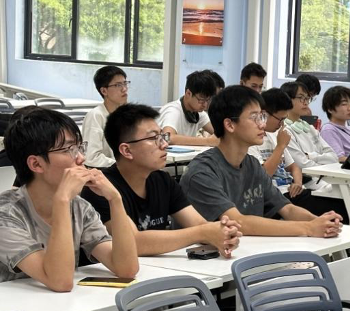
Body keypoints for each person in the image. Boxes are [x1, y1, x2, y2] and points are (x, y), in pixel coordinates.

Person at [0, 108, 138, 290]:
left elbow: (126, 268)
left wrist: (115, 199)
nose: (81, 158)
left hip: (59, 305)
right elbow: (60, 281)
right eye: (68, 149)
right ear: (36, 164)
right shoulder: (6, 214)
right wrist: (62, 200)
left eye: (80, 147)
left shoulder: (79, 207)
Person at [180, 85, 343, 237]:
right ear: (229, 125)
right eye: (254, 118)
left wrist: (320, 222)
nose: (262, 124)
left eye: (262, 117)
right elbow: (238, 222)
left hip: (248, 247)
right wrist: (308, 228)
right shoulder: (202, 172)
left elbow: (287, 209)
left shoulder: (251, 164)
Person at [81, 104, 241, 258]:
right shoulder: (100, 189)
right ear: (126, 150)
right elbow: (133, 242)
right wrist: (203, 233)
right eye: (153, 138)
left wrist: (222, 232)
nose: (164, 144)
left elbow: (198, 224)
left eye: (162, 136)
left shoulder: (163, 180)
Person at [249, 88, 350, 223]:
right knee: (346, 210)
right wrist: (281, 146)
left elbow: (294, 167)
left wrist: (298, 182)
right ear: (265, 114)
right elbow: (264, 175)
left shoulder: (275, 135)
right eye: (280, 119)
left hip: (295, 191)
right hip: (277, 196)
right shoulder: (254, 141)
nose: (281, 124)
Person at [280, 81, 338, 189]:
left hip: (325, 176)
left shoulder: (309, 127)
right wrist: (325, 165)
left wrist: (311, 156)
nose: (306, 103)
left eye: (307, 98)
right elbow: (302, 165)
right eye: (301, 98)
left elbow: (334, 157)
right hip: (309, 182)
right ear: (287, 99)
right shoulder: (284, 130)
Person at [82, 65, 129, 167]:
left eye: (125, 83)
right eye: (118, 85)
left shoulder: (127, 115)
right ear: (104, 91)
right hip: (106, 172)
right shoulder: (96, 116)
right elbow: (91, 158)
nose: (124, 89)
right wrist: (125, 166)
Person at [158, 70, 219, 146]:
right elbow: (168, 137)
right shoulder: (173, 110)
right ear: (188, 93)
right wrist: (207, 141)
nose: (205, 105)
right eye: (201, 100)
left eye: (207, 100)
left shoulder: (199, 114)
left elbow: (218, 133)